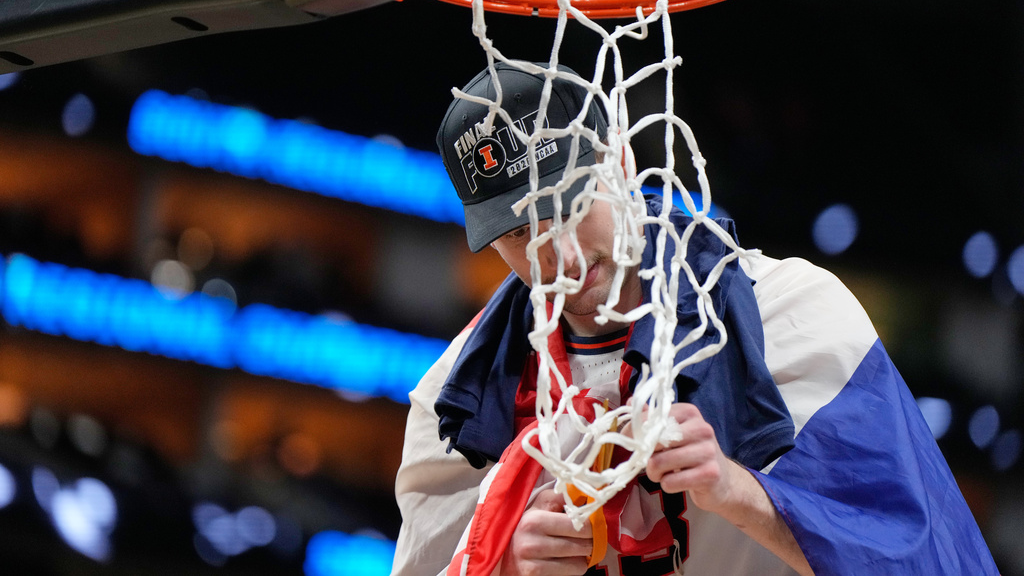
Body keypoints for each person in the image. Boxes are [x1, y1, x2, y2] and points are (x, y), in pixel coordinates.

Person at [391, 62, 999, 576]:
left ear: (622, 162)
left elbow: (924, 559)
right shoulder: (451, 403)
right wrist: (504, 563)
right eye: (522, 232)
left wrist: (737, 493)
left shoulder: (795, 314)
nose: (562, 258)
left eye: (573, 205)